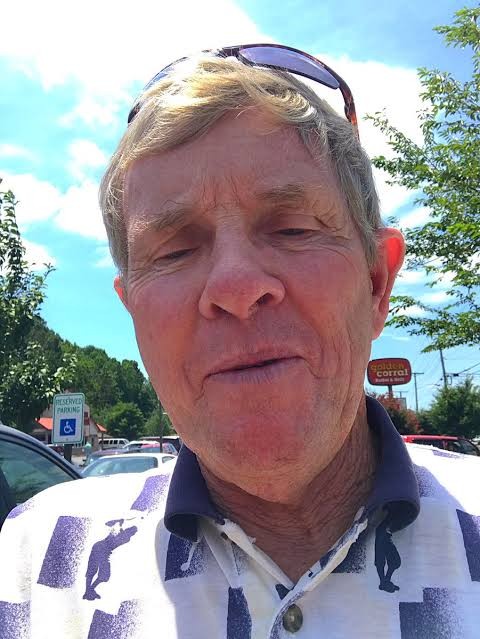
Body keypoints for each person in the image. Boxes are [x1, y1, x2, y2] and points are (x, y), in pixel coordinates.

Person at [0, 44, 478, 638]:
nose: (236, 287)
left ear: (377, 283)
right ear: (135, 314)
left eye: (292, 228)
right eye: (175, 251)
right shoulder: (35, 566)